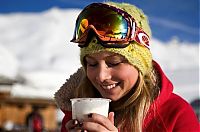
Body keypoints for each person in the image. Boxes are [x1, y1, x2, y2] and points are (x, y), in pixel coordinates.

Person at [54, 2, 199, 132]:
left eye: (114, 63)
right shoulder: (77, 113)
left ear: (139, 65)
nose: (101, 76)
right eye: (92, 64)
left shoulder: (176, 115)